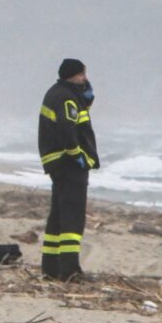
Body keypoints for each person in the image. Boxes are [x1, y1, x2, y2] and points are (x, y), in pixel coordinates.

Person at [38, 58, 99, 282]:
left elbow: (74, 116)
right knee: (72, 219)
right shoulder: (66, 97)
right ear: (74, 75)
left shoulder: (57, 93)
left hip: (56, 162)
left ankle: (51, 267)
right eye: (83, 75)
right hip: (69, 164)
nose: (85, 79)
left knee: (57, 216)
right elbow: (67, 127)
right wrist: (77, 155)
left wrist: (87, 100)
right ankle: (71, 270)